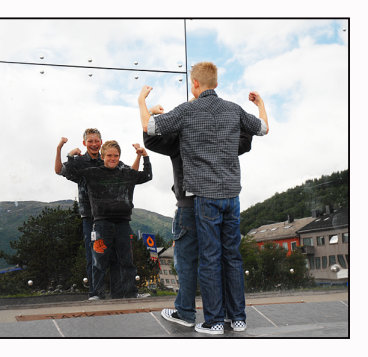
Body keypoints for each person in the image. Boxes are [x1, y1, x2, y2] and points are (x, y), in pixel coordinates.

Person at [138, 61, 269, 334]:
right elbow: (263, 129)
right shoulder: (233, 110)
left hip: (204, 197)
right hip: (232, 196)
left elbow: (150, 129)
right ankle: (238, 318)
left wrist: (142, 101)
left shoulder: (187, 112)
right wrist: (260, 104)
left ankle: (214, 322)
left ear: (194, 84)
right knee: (232, 257)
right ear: (217, 83)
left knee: (209, 258)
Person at [143, 120, 253, 329]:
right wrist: (245, 119)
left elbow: (151, 138)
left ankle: (187, 312)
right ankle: (232, 315)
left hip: (189, 205)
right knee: (224, 260)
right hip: (220, 201)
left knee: (187, 262)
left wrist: (147, 108)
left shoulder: (181, 140)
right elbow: (244, 143)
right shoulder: (219, 137)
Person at [55, 129, 141, 299]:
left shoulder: (109, 158)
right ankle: (95, 293)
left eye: (96, 141)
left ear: (101, 143)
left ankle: (118, 293)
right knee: (94, 254)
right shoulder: (80, 162)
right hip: (90, 214)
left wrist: (139, 155)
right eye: (90, 141)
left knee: (117, 256)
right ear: (84, 143)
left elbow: (130, 174)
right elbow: (60, 171)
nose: (93, 144)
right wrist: (63, 152)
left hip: (112, 215)